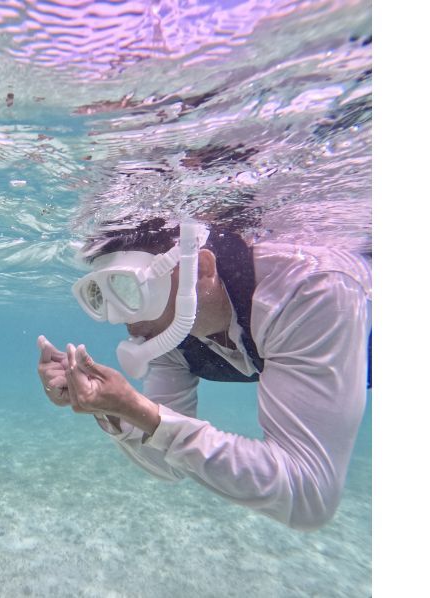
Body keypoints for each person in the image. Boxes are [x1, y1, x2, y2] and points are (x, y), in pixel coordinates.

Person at [37, 217, 371, 530]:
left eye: (133, 290)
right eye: (103, 297)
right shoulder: (166, 334)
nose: (125, 320)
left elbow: (308, 493)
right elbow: (168, 462)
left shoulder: (309, 291)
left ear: (203, 269)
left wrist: (148, 417)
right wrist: (110, 408)